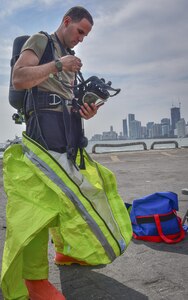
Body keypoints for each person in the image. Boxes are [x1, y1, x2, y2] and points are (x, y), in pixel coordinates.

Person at [1, 5, 132, 300]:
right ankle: (34, 281)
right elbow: (19, 78)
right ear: (67, 21)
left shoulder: (71, 60)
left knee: (68, 197)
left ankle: (66, 252)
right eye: (80, 31)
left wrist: (84, 111)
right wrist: (60, 65)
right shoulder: (42, 41)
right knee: (41, 206)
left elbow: (64, 99)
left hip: (67, 134)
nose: (82, 38)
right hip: (42, 134)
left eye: (86, 35)